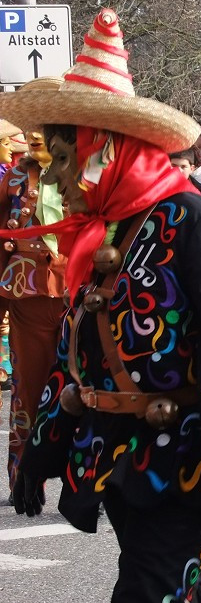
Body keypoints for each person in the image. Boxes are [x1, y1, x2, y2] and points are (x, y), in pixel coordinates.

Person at [0, 8, 201, 603]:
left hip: (190, 456)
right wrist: (42, 444)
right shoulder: (106, 232)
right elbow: (80, 344)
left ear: (106, 151)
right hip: (122, 454)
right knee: (184, 592)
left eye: (67, 160)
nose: (59, 180)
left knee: (149, 592)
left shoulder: (191, 219)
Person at [0, 94, 67, 500]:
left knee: (86, 386)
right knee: (29, 385)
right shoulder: (10, 180)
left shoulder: (86, 175)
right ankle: (25, 475)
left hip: (81, 291)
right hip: (27, 293)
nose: (36, 134)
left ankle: (85, 481)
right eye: (32, 127)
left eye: (47, 127)